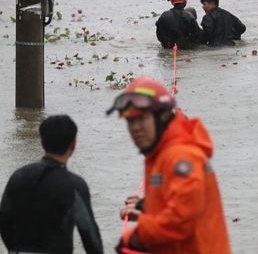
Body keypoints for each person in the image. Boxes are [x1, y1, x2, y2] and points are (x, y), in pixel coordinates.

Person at [106, 76, 231, 254]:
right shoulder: (161, 152)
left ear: (163, 116)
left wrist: (137, 237)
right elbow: (179, 199)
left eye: (141, 119)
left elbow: (181, 221)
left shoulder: (181, 156)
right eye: (130, 121)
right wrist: (146, 206)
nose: (135, 128)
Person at [0, 114, 104, 254]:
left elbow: (4, 221)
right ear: (73, 144)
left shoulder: (18, 177)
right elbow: (89, 235)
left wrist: (14, 249)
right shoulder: (74, 185)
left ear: (41, 142)